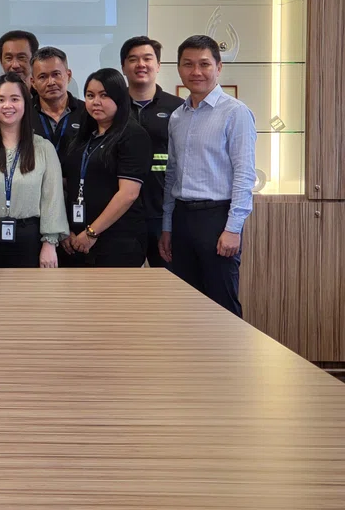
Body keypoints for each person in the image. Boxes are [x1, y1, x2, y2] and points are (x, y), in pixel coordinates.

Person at [159, 35, 256, 318]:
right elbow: (171, 175)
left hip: (217, 219)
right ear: (178, 69)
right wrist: (167, 226)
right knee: (187, 303)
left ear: (219, 67)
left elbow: (244, 174)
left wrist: (233, 228)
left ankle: (230, 363)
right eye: (188, 64)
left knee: (222, 302)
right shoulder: (178, 116)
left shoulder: (235, 113)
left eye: (204, 64)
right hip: (182, 217)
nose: (196, 72)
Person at [0, 73, 68, 268]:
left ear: (26, 104)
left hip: (30, 239)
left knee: (27, 297)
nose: (7, 105)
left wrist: (50, 244)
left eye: (15, 99)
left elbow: (52, 199)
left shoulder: (43, 148)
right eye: (0, 99)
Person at [60, 68, 151, 268]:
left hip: (117, 240)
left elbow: (128, 194)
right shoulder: (82, 137)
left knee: (112, 298)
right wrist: (66, 230)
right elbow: (66, 185)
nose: (96, 102)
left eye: (104, 95)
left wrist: (92, 233)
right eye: (90, 96)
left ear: (119, 98)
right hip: (76, 240)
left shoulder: (133, 135)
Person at [119, 36, 181, 270]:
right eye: (133, 59)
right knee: (120, 288)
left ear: (158, 65)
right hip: (121, 215)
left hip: (163, 214)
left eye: (147, 58)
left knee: (169, 287)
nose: (140, 65)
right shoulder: (111, 107)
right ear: (123, 67)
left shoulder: (177, 108)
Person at [31, 47, 83, 163]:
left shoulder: (87, 112)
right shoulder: (22, 114)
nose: (51, 82)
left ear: (68, 76)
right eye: (42, 77)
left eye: (56, 74)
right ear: (33, 82)